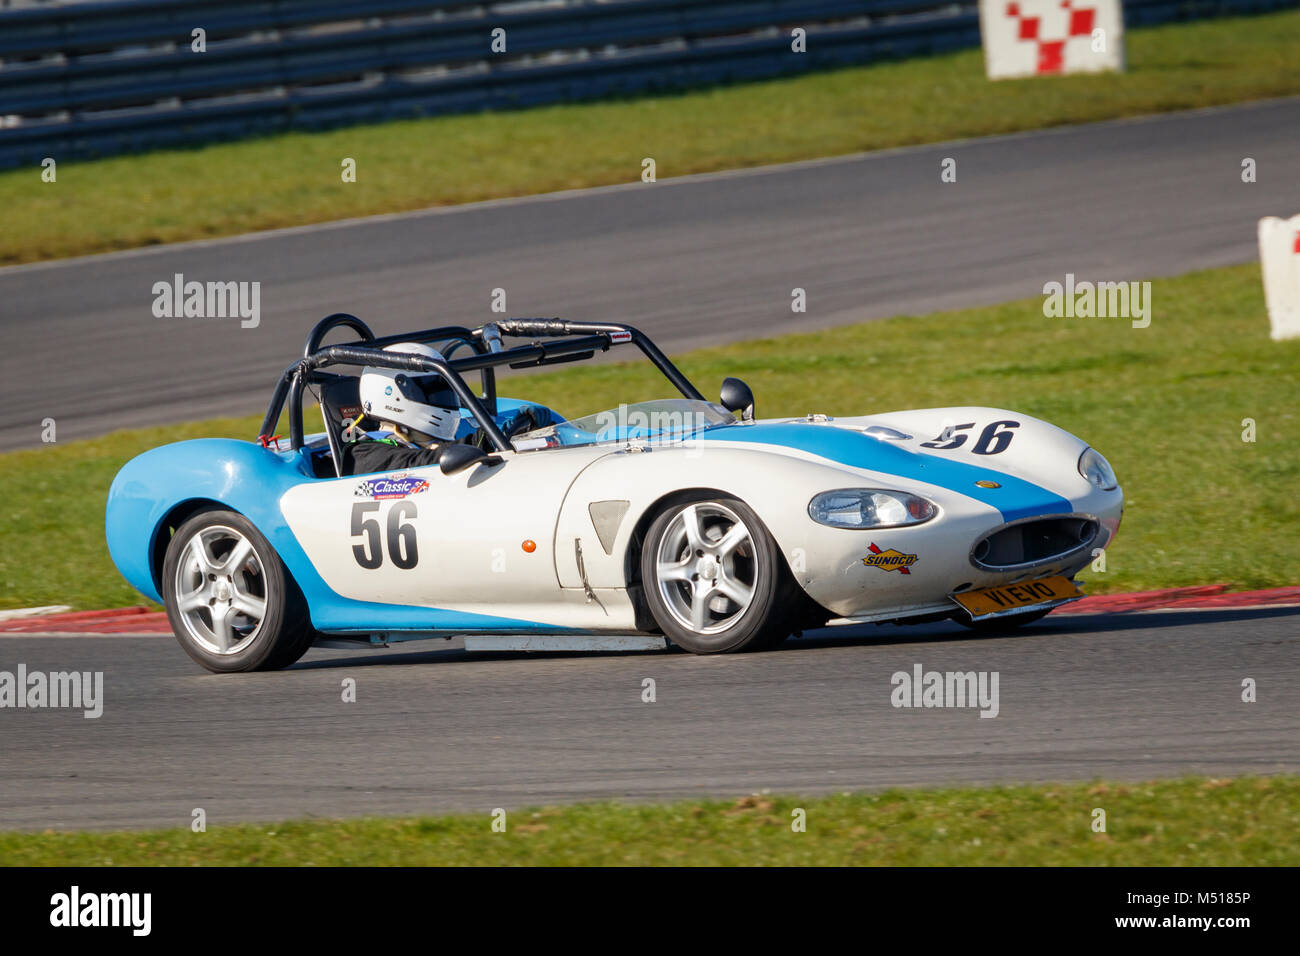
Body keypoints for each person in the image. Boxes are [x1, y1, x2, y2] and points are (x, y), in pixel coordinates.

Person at [341, 342, 464, 475]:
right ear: (391, 395)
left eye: (443, 390)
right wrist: (471, 444)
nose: (439, 396)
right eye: (429, 392)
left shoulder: (453, 430)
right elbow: (420, 464)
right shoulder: (365, 455)